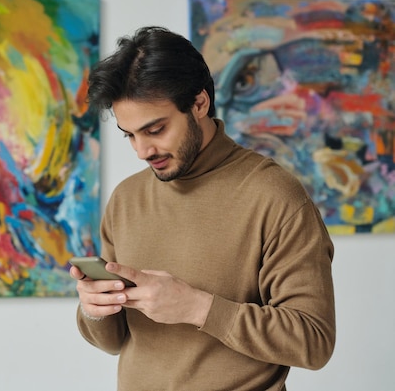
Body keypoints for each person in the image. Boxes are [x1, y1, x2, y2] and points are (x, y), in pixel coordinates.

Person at [69, 26, 335, 391]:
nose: (142, 151)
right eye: (130, 135)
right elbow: (113, 342)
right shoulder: (126, 199)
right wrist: (94, 309)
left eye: (156, 129)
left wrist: (197, 308)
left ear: (199, 104)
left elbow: (314, 342)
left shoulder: (275, 196)